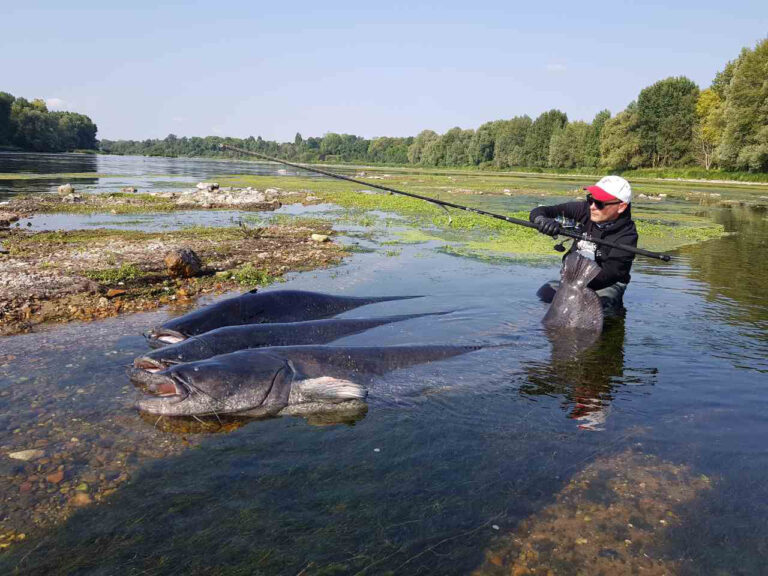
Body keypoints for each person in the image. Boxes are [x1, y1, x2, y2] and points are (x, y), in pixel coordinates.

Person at [529, 175, 638, 314]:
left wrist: (574, 288)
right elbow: (541, 211)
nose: (592, 207)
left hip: (604, 284)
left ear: (621, 206)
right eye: (590, 199)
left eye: (599, 203)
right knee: (544, 295)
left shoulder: (627, 236)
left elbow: (611, 274)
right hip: (571, 279)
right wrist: (542, 221)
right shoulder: (584, 210)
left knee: (596, 310)